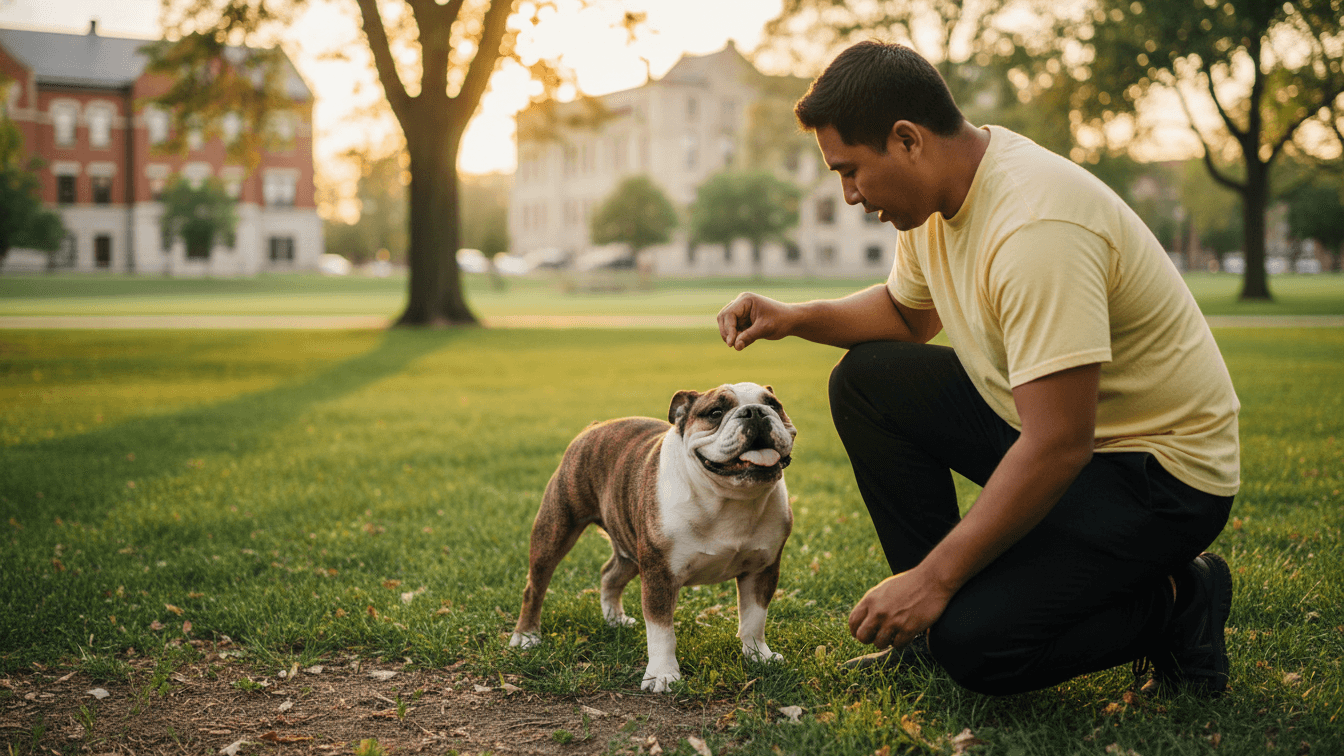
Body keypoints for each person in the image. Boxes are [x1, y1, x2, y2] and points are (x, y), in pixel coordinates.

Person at [716, 40, 1240, 697]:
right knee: (869, 381)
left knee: (980, 647)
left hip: (1158, 478)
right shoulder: (936, 200)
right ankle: (926, 634)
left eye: (850, 171)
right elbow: (906, 317)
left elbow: (1059, 444)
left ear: (907, 139)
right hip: (1057, 436)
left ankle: (1183, 598)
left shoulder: (1035, 227)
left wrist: (936, 580)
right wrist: (794, 316)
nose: (849, 195)